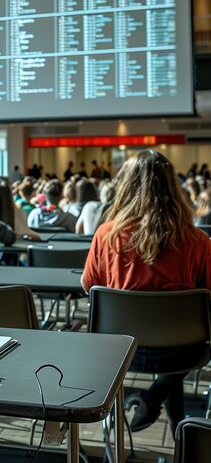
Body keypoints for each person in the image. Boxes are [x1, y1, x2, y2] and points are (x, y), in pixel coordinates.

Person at [81, 150, 211, 436]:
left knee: (166, 336)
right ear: (173, 187)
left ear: (126, 186)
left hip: (121, 350)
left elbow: (90, 286)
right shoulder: (199, 240)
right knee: (176, 338)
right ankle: (164, 411)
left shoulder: (106, 235)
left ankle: (146, 407)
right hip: (183, 352)